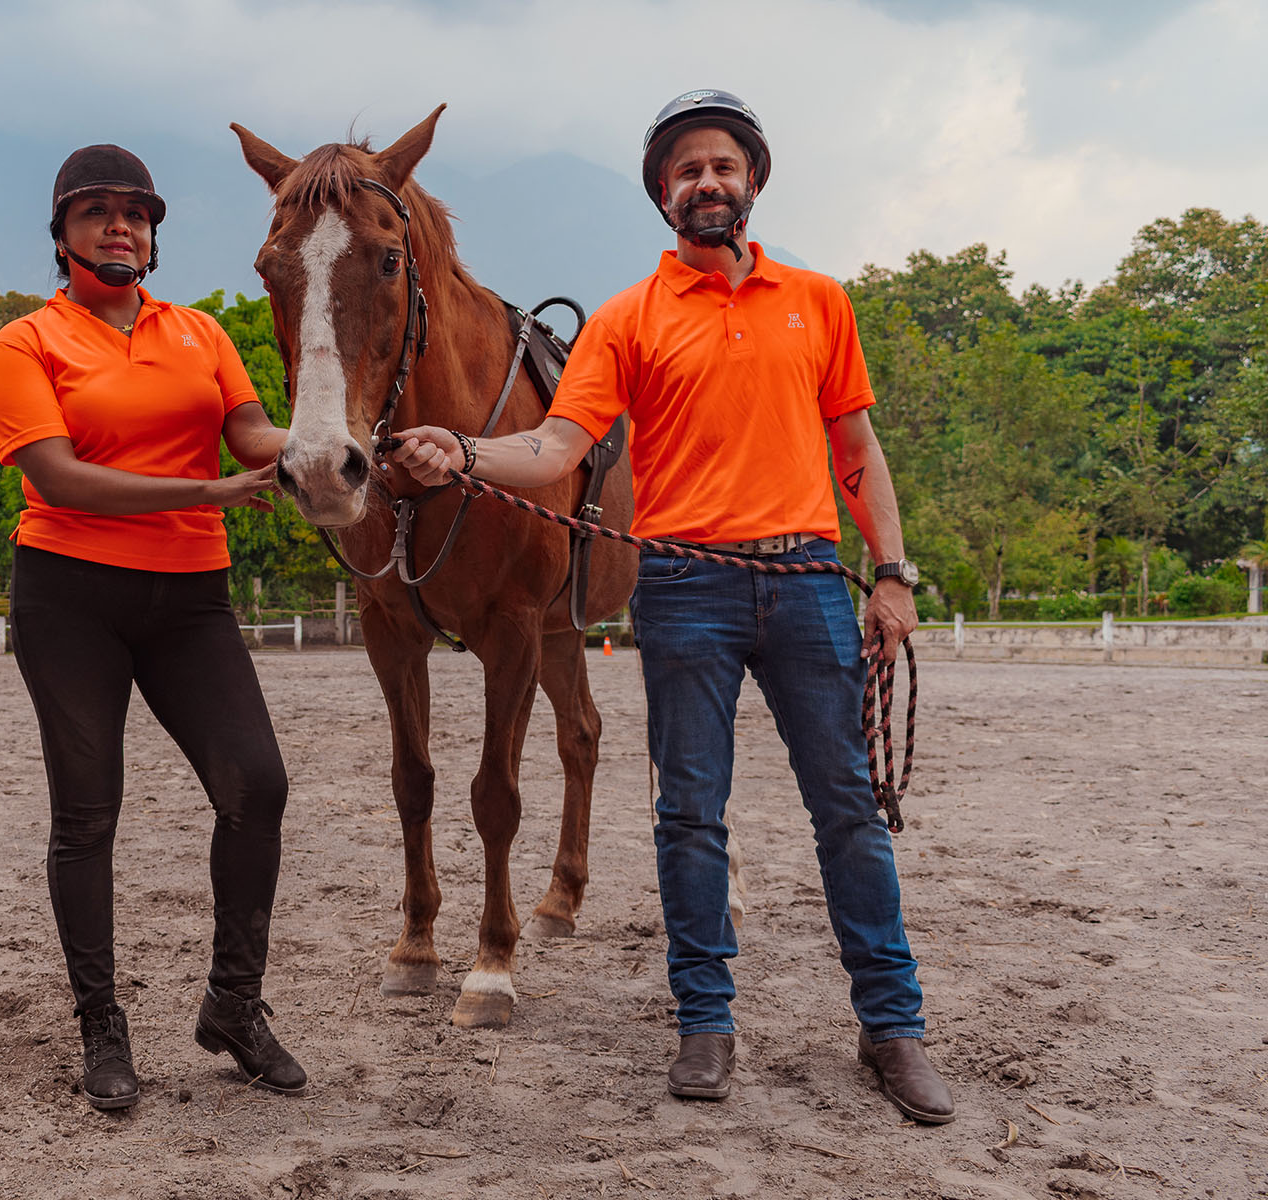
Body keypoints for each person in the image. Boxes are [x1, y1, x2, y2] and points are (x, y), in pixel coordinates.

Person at [390, 91, 954, 1124]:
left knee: (850, 813)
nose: (706, 182)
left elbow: (858, 451)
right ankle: (706, 1023)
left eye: (723, 166)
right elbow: (557, 450)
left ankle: (892, 1028)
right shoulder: (624, 320)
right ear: (663, 195)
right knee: (687, 817)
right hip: (685, 586)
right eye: (686, 170)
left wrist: (893, 571)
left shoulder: (820, 302)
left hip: (803, 579)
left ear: (752, 183)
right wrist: (463, 451)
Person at [0, 143, 305, 1111]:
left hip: (188, 598)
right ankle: (102, 1031)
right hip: (69, 594)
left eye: (136, 213)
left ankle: (234, 1007)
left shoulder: (201, 333)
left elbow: (255, 435)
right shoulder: (27, 342)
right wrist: (204, 489)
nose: (119, 226)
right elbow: (57, 476)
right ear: (62, 235)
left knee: (257, 784)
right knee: (87, 816)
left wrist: (340, 442)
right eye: (96, 213)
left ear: (154, 234)